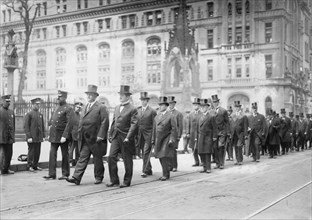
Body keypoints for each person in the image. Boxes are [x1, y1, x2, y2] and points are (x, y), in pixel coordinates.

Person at [67, 85, 109, 185]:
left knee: (97, 159)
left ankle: (99, 177)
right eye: (88, 94)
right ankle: (76, 178)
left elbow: (105, 121)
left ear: (95, 96)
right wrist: (79, 134)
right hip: (85, 138)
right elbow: (82, 121)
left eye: (91, 94)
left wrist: (101, 135)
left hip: (96, 139)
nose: (89, 96)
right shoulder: (85, 107)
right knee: (82, 158)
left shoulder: (101, 107)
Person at [107, 85, 138, 188]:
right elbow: (114, 122)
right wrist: (110, 134)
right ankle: (114, 180)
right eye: (120, 94)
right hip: (116, 136)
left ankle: (126, 181)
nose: (120, 96)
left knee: (127, 159)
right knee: (111, 157)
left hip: (126, 138)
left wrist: (128, 137)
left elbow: (134, 125)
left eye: (123, 95)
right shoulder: (116, 107)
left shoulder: (133, 109)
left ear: (128, 97)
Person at [43, 90, 73, 180]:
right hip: (54, 135)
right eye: (58, 97)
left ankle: (65, 173)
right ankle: (52, 174)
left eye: (60, 97)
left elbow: (69, 123)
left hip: (62, 136)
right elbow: (52, 121)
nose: (58, 98)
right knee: (52, 153)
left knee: (65, 154)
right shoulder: (56, 107)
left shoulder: (68, 108)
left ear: (65, 97)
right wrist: (49, 134)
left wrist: (65, 135)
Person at [151, 96, 177, 181]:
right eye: (160, 105)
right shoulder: (157, 117)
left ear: (166, 106)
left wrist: (171, 139)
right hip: (158, 139)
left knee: (164, 156)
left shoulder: (171, 116)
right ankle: (165, 173)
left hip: (166, 139)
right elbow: (154, 130)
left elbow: (174, 129)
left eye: (162, 105)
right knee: (160, 157)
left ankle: (166, 174)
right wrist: (153, 140)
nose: (160, 107)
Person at [136, 92, 157, 178]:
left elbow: (155, 125)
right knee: (143, 153)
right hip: (140, 136)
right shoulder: (138, 110)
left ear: (147, 101)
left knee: (146, 152)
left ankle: (144, 170)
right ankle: (149, 169)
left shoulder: (152, 111)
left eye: (144, 100)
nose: (143, 102)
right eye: (142, 100)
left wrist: (153, 137)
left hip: (149, 135)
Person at [196, 99, 217, 173]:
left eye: (204, 107)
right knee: (201, 152)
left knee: (207, 153)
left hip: (208, 137)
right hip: (201, 137)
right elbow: (197, 128)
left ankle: (208, 168)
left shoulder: (211, 117)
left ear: (207, 108)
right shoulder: (199, 117)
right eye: (201, 107)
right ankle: (204, 167)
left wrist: (214, 137)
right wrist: (196, 137)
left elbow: (215, 128)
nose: (203, 109)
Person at [24, 98, 45, 172]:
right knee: (31, 152)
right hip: (32, 137)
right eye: (36, 104)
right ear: (32, 105)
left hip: (38, 137)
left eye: (39, 104)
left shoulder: (40, 114)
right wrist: (29, 136)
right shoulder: (29, 114)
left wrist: (43, 136)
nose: (38, 105)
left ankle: (35, 165)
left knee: (37, 152)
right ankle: (29, 165)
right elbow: (26, 126)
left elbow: (42, 126)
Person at [211, 94, 230, 169]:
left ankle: (222, 163)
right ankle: (217, 163)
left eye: (216, 102)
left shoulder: (223, 111)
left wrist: (228, 132)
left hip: (222, 132)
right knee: (215, 148)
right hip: (214, 133)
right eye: (214, 102)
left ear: (218, 102)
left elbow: (227, 122)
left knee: (221, 147)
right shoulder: (211, 111)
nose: (215, 103)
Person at [167, 96, 183, 172]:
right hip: (167, 135)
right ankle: (169, 166)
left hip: (174, 135)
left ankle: (174, 166)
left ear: (174, 104)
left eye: (172, 104)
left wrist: (179, 135)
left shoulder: (178, 114)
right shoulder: (166, 113)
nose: (170, 105)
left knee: (173, 150)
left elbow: (180, 126)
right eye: (169, 104)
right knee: (168, 150)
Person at [0, 95, 15, 175]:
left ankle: (6, 169)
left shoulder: (11, 112)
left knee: (9, 154)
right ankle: (1, 169)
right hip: (2, 136)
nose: (8, 103)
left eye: (9, 101)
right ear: (2, 102)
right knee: (2, 154)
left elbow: (13, 125)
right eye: (6, 101)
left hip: (9, 137)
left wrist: (12, 135)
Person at [231, 101, 248, 165]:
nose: (237, 108)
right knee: (235, 146)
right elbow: (231, 124)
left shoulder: (243, 116)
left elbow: (245, 126)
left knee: (239, 146)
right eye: (236, 107)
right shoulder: (233, 115)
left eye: (238, 107)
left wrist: (246, 134)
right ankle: (237, 159)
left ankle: (240, 160)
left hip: (240, 133)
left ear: (240, 108)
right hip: (234, 134)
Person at [68, 100, 83, 167]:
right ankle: (70, 161)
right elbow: (69, 125)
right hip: (72, 135)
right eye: (77, 107)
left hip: (78, 135)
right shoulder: (72, 115)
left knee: (78, 149)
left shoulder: (80, 116)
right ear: (74, 107)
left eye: (79, 107)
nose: (78, 108)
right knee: (71, 149)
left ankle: (77, 161)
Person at [188, 98, 202, 166]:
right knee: (194, 148)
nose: (195, 106)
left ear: (199, 106)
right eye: (194, 105)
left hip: (200, 134)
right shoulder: (191, 114)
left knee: (200, 148)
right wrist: (188, 133)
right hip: (193, 134)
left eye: (197, 105)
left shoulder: (202, 114)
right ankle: (196, 162)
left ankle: (202, 161)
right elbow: (189, 124)